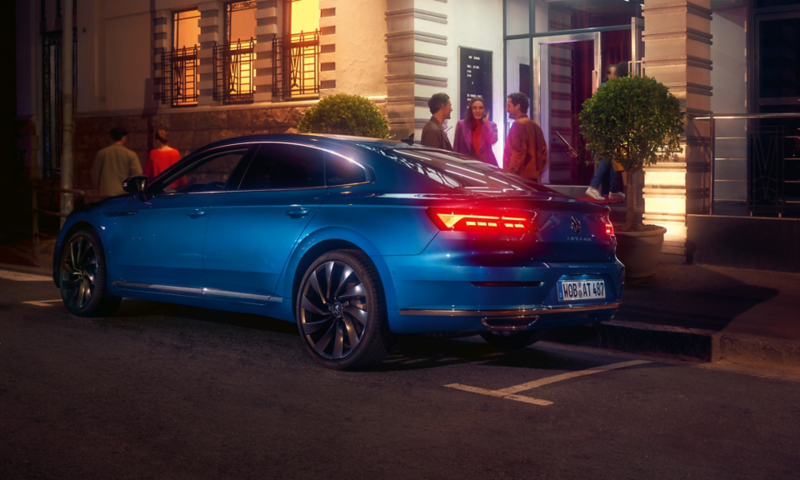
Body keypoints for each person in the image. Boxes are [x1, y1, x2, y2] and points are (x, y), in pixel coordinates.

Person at [585, 62, 628, 201]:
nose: (617, 77)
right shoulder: (607, 89)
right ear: (608, 75)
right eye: (614, 74)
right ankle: (593, 186)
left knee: (614, 158)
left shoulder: (613, 88)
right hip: (608, 128)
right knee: (607, 157)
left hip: (613, 128)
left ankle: (613, 190)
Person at [502, 92, 547, 181]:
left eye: (509, 106)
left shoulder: (518, 125)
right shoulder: (535, 126)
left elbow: (518, 152)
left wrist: (510, 176)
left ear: (517, 106)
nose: (506, 109)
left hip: (519, 178)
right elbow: (544, 153)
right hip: (534, 178)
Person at [90, 127, 143, 198]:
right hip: (123, 192)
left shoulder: (102, 153)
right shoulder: (130, 154)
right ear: (124, 138)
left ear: (111, 138)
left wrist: (97, 188)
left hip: (106, 191)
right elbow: (138, 173)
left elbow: (94, 173)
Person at [453, 96, 498, 166]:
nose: (478, 110)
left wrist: (486, 124)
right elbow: (456, 149)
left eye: (481, 108)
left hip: (487, 166)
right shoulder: (461, 124)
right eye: (474, 108)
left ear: (484, 110)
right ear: (471, 110)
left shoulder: (491, 125)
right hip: (467, 166)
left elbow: (492, 140)